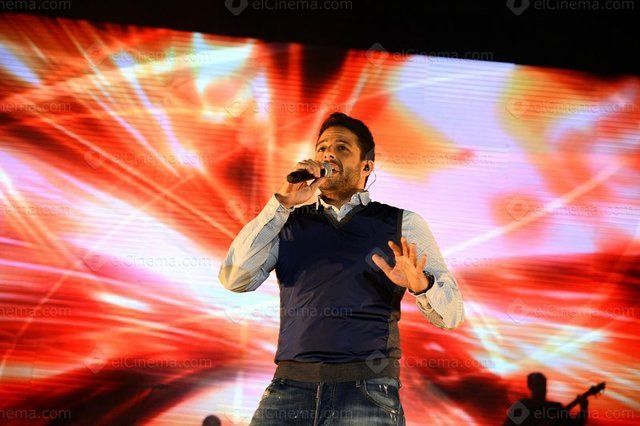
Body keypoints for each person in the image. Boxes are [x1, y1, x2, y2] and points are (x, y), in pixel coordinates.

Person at [219, 112, 465, 425]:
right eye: (322, 148)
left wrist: (422, 286)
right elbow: (234, 279)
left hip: (368, 393)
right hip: (289, 390)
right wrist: (282, 203)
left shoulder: (403, 223)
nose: (328, 155)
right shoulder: (286, 220)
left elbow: (451, 315)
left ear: (367, 166)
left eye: (341, 148)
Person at [504, 373, 589, 426]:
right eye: (537, 385)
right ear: (530, 386)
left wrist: (583, 409)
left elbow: (575, 424)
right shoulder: (523, 406)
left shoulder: (555, 407)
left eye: (543, 384)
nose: (541, 388)